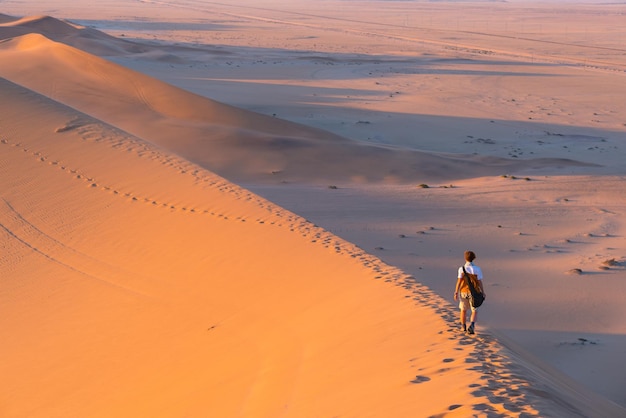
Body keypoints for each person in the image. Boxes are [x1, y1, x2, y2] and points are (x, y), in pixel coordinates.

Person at [453, 250, 485, 334]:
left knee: (463, 310)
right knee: (474, 311)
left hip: (463, 292)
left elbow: (459, 281)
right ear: (473, 258)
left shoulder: (461, 269)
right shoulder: (477, 269)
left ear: (465, 258)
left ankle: (463, 327)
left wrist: (456, 292)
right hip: (474, 293)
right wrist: (483, 292)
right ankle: (472, 325)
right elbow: (479, 282)